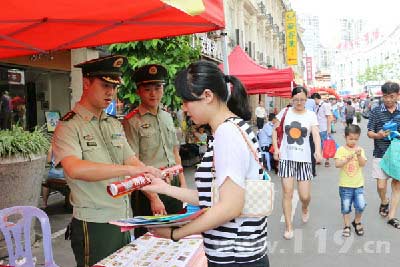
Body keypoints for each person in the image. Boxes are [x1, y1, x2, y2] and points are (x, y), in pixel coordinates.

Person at [142, 60, 269, 266]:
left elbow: (229, 207)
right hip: (240, 254)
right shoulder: (233, 128)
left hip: (235, 257)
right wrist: (165, 188)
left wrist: (177, 233)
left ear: (208, 96)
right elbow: (214, 197)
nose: (184, 108)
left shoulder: (227, 134)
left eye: (187, 101)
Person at [52, 55, 162, 267]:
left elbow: (131, 159)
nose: (111, 92)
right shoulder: (68, 126)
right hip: (94, 222)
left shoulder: (112, 123)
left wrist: (152, 187)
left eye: (114, 86)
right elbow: (74, 168)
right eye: (104, 85)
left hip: (123, 217)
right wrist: (129, 169)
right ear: (86, 83)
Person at [122, 64, 186, 238]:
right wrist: (153, 198)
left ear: (163, 89)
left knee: (176, 233)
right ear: (138, 91)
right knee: (149, 238)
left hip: (172, 184)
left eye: (157, 88)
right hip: (148, 188)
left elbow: (175, 153)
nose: (153, 94)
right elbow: (132, 161)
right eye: (147, 89)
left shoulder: (166, 116)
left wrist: (182, 185)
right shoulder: (132, 121)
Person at [273, 87, 322, 239]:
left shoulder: (311, 115)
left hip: (305, 159)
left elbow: (315, 134)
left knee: (304, 195)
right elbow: (274, 130)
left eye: (302, 99)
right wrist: (276, 148)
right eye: (296, 99)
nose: (299, 102)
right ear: (291, 100)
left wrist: (318, 151)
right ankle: (288, 226)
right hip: (287, 157)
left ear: (306, 100)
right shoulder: (284, 112)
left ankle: (305, 207)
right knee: (287, 192)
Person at [367, 81, 400, 229]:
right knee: (381, 186)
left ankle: (392, 216)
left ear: (398, 95)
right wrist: (378, 135)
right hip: (380, 152)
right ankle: (384, 201)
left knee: (397, 185)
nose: (388, 100)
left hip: (398, 155)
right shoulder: (376, 111)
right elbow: (369, 132)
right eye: (385, 96)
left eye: (391, 96)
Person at [334, 125, 367, 237]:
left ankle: (357, 222)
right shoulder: (340, 150)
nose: (353, 141)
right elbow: (337, 164)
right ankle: (347, 225)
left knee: (361, 205)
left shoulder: (360, 150)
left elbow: (363, 164)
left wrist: (359, 156)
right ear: (345, 137)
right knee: (346, 207)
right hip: (345, 185)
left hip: (358, 185)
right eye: (351, 138)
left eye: (356, 139)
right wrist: (345, 159)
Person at [311, 93, 333, 167]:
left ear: (316, 98)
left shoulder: (325, 105)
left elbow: (329, 118)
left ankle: (327, 160)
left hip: (324, 128)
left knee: (326, 145)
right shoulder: (315, 106)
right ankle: (319, 158)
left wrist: (329, 130)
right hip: (316, 128)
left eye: (313, 100)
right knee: (318, 144)